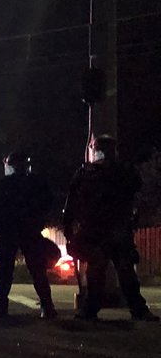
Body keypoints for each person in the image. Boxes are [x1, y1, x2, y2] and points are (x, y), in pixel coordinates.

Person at [63, 134, 158, 321]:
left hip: (100, 229)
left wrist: (68, 225)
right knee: (121, 270)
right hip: (114, 228)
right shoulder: (123, 171)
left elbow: (72, 203)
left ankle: (92, 309)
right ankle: (136, 309)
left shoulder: (88, 173)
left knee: (101, 271)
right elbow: (137, 198)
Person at [0, 151, 57, 319]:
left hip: (11, 231)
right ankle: (47, 305)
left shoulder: (1, 185)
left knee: (6, 270)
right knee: (37, 269)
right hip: (28, 230)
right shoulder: (37, 184)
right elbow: (47, 204)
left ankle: (2, 305)